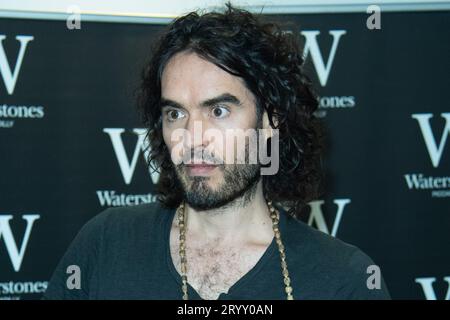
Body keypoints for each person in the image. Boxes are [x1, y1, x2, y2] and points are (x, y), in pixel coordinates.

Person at [43, 3, 390, 300]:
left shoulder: (343, 281)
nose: (192, 138)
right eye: (175, 114)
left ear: (270, 120)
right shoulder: (106, 244)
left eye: (218, 111)